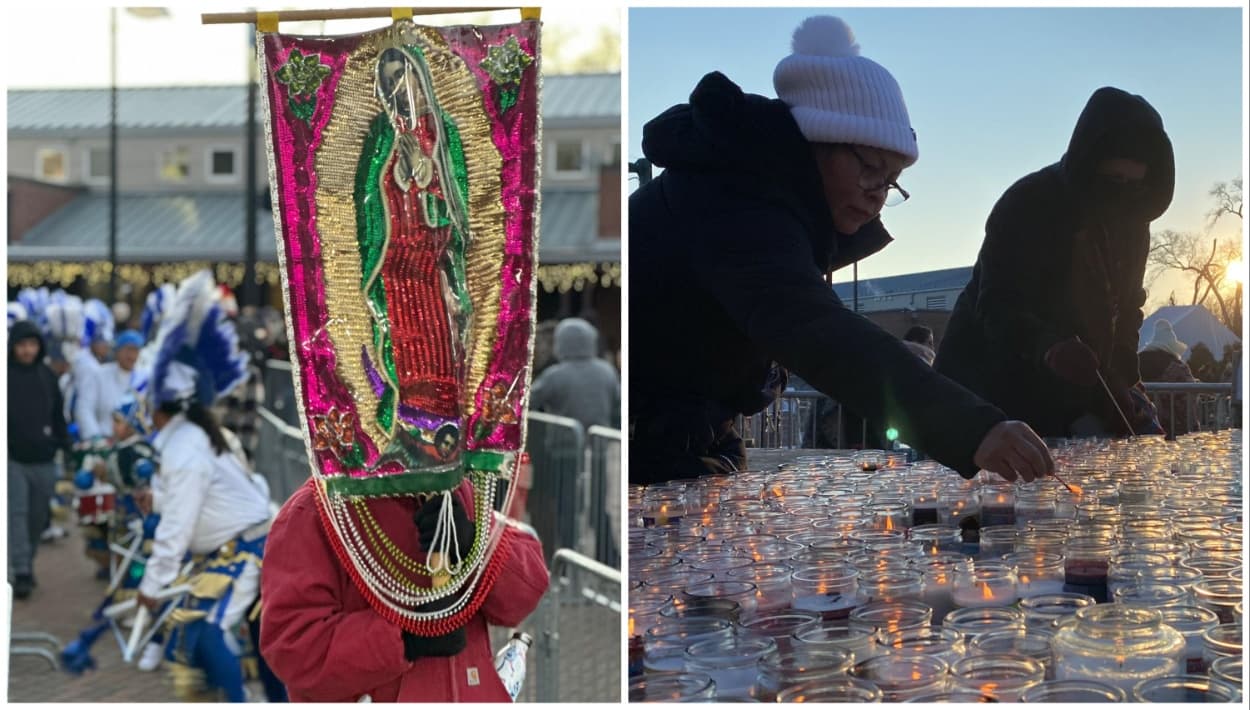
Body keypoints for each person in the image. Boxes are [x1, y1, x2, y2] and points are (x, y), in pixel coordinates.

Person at [629, 15, 1053, 485]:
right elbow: (813, 328)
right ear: (816, 141)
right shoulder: (733, 197)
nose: (877, 193)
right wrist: (971, 426)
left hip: (694, 438)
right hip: (643, 449)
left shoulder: (769, 197)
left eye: (891, 181)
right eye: (871, 167)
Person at [935, 87, 1173, 439]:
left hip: (1073, 393)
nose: (1123, 196)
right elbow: (997, 304)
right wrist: (1049, 346)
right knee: (1003, 487)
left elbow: (1128, 307)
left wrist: (1121, 372)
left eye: (1134, 185)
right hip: (988, 384)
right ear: (1090, 167)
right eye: (1113, 182)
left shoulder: (1133, 223)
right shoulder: (1026, 204)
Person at [133, 272, 272, 702]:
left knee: (203, 627)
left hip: (248, 548)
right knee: (247, 637)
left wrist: (153, 584)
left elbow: (179, 521)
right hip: (241, 544)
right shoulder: (189, 438)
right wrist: (156, 498)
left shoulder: (186, 447)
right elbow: (194, 501)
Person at [8, 320, 71, 600]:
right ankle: (20, 570)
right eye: (22, 345)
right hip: (13, 461)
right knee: (17, 515)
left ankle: (27, 562)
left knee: (37, 517)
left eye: (31, 345)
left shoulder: (47, 377)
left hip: (44, 460)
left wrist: (65, 444)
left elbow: (58, 416)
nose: (27, 350)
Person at [530, 317, 621, 431]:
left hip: (563, 445)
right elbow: (618, 411)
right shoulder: (607, 371)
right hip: (600, 444)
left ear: (561, 342)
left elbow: (527, 404)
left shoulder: (554, 375)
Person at [1137, 319, 1198, 436]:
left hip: (1143, 424)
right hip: (1175, 428)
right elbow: (1189, 398)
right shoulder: (1177, 367)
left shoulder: (1137, 362)